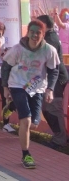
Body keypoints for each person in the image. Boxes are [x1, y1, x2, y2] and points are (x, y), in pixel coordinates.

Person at [2, 19, 60, 169]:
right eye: (32, 32)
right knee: (26, 121)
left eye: (38, 33)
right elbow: (6, 66)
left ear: (43, 34)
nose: (35, 35)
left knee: (34, 123)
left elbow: (54, 70)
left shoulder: (49, 50)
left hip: (37, 87)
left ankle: (12, 105)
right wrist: (5, 88)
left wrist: (50, 89)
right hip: (18, 85)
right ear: (27, 32)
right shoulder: (17, 49)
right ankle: (25, 154)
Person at [37, 15, 68, 150]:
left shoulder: (50, 38)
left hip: (56, 78)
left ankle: (60, 139)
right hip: (51, 78)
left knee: (53, 109)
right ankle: (59, 136)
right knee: (46, 109)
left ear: (44, 25)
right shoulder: (50, 36)